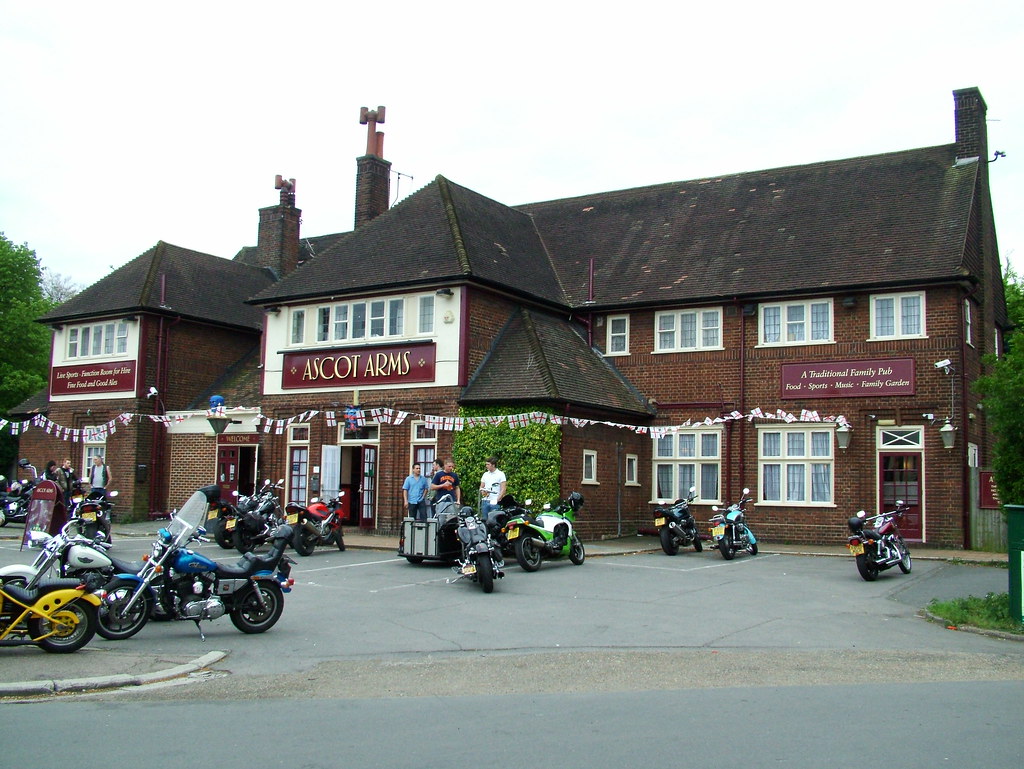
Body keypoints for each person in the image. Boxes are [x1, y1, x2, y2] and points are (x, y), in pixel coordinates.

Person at [478, 456, 507, 522]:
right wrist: (483, 492)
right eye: (486, 464)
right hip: (485, 501)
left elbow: (503, 489)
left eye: (488, 464)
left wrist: (497, 500)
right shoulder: (485, 474)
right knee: (484, 520)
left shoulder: (500, 474)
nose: (486, 466)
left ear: (493, 465)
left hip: (495, 501)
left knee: (495, 521)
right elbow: (481, 487)